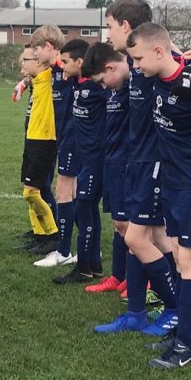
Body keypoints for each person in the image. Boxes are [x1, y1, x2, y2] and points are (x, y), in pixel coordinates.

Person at [123, 23, 191, 362]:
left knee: (190, 261)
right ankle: (181, 333)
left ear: (160, 51)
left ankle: (189, 344)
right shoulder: (156, 79)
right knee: (178, 256)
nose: (136, 66)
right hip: (172, 180)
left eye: (140, 58)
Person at [94, 0, 179, 336]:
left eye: (110, 25)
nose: (107, 32)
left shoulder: (150, 61)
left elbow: (184, 70)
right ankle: (137, 311)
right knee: (138, 237)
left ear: (126, 27)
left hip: (153, 162)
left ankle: (177, 306)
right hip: (135, 161)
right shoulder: (131, 65)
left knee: (140, 236)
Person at [51, 42, 108, 283]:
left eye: (65, 61)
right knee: (88, 209)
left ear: (80, 62)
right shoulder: (78, 82)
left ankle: (84, 267)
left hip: (96, 158)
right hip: (84, 157)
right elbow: (52, 64)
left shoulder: (98, 87)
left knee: (85, 208)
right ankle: (94, 265)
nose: (61, 66)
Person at [35, 39, 88, 268]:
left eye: (36, 50)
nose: (34, 56)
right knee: (73, 194)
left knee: (64, 192)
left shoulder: (70, 69)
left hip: (72, 138)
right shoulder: (55, 70)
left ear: (50, 47)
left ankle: (63, 251)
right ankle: (85, 249)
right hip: (64, 137)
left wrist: (59, 60)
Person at [84, 45, 131, 294]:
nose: (103, 86)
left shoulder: (134, 83)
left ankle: (138, 281)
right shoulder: (115, 89)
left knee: (132, 229)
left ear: (111, 68)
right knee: (118, 224)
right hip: (111, 161)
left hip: (128, 164)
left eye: (103, 80)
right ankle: (118, 276)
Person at [17, 26, 64, 252]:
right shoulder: (37, 77)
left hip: (45, 140)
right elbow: (29, 76)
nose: (26, 61)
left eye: (31, 56)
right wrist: (24, 82)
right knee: (35, 188)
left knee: (32, 190)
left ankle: (53, 235)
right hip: (33, 138)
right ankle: (40, 234)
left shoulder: (52, 71)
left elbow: (61, 59)